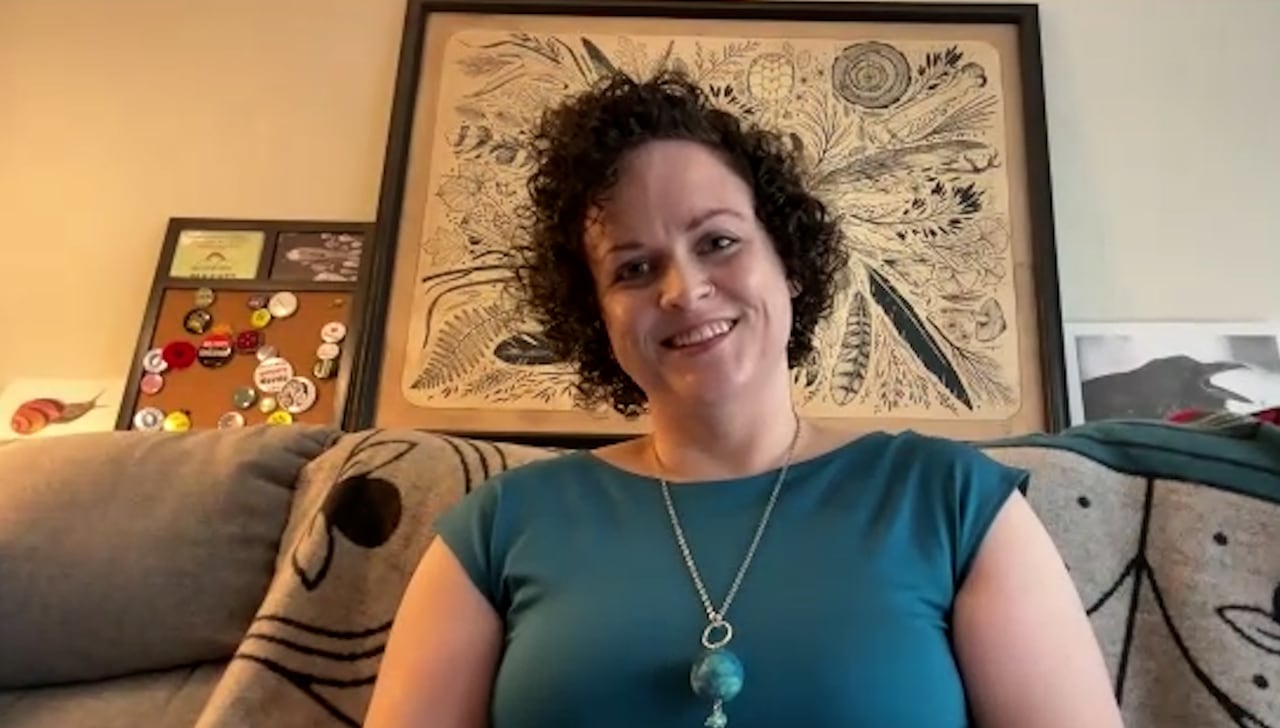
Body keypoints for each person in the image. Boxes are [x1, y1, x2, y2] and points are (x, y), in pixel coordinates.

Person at [363, 70, 1122, 728]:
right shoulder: (499, 527)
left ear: (787, 262)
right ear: (596, 313)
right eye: (632, 268)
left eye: (718, 242)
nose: (684, 290)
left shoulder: (954, 506)